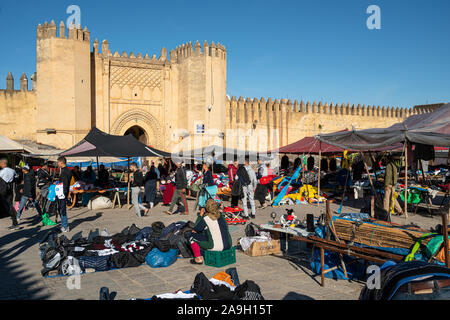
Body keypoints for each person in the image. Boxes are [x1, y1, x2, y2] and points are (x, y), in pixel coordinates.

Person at [189, 199, 233, 265]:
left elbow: (196, 229)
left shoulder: (206, 219)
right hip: (228, 244)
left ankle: (198, 259)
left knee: (191, 236)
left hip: (215, 246)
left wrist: (200, 215)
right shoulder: (221, 216)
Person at [0, 157, 20, 230]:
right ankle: (15, 222)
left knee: (7, 206)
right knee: (10, 205)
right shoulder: (13, 170)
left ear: (2, 163)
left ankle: (15, 223)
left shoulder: (2, 172)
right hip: (10, 190)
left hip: (2, 191)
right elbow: (17, 178)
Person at [57, 156, 73, 232]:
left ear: (61, 162)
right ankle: (63, 224)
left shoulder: (65, 171)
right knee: (60, 209)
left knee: (62, 210)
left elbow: (65, 184)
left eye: (58, 162)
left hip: (62, 193)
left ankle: (65, 226)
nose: (57, 164)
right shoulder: (65, 170)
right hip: (63, 192)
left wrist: (62, 193)